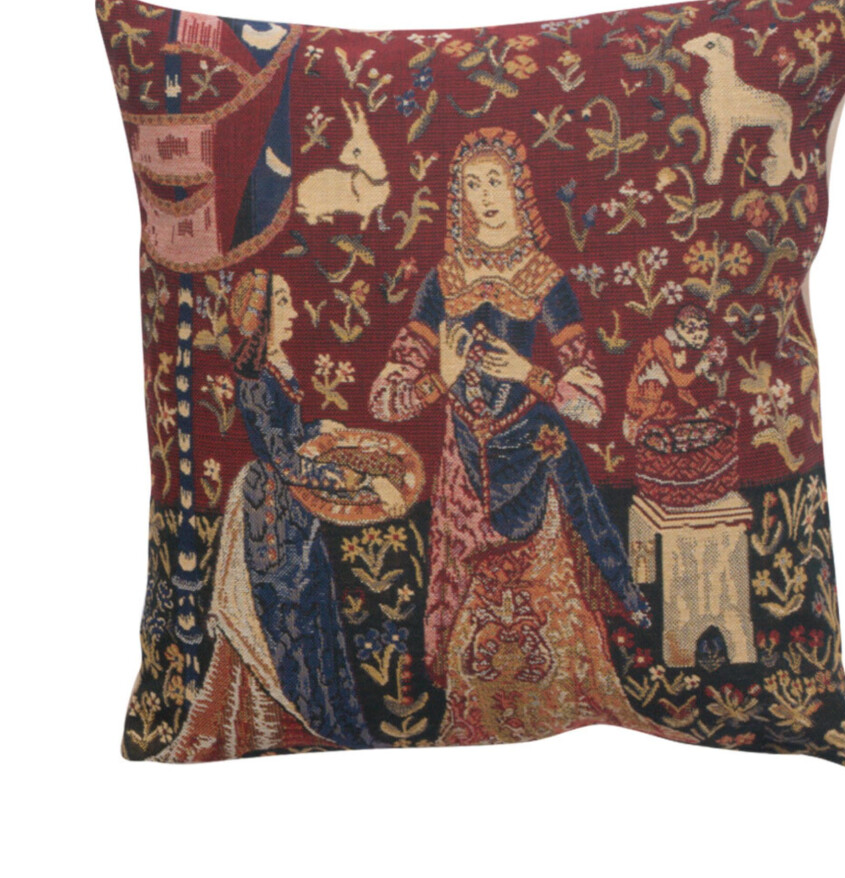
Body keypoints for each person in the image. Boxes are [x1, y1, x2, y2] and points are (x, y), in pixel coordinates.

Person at [369, 127, 696, 746]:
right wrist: (441, 378)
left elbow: (591, 402)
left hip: (534, 462)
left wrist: (529, 373)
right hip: (463, 471)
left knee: (544, 610)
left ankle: (560, 708)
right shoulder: (442, 282)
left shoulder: (544, 279)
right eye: (472, 184)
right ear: (459, 196)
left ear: (518, 189)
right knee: (472, 620)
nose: (485, 196)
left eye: (495, 181)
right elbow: (384, 399)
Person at [158, 270, 401, 760]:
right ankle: (287, 721)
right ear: (262, 316)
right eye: (283, 302)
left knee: (314, 608)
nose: (293, 311)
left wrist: (318, 426)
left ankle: (319, 724)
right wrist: (359, 481)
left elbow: (286, 436)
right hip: (270, 517)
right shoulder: (255, 381)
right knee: (288, 614)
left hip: (292, 509)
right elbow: (284, 461)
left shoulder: (275, 369)